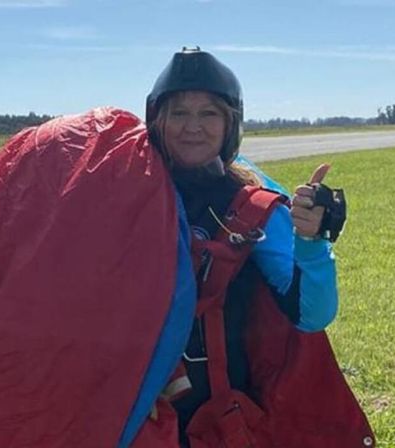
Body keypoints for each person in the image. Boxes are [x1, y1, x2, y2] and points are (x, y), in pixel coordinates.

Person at [141, 47, 373, 447]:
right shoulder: (131, 193)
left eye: (208, 113)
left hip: (217, 415)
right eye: (179, 112)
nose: (191, 126)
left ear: (230, 125)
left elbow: (311, 315)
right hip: (138, 410)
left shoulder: (248, 205)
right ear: (157, 122)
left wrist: (311, 242)